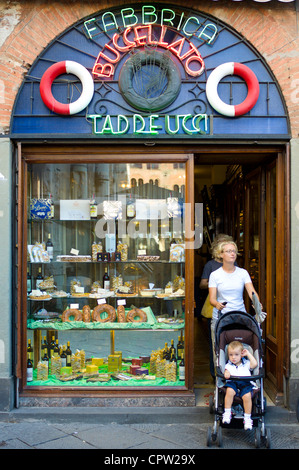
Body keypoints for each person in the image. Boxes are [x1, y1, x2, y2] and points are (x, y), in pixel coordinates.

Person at [199, 234, 235, 380]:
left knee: (232, 341)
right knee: (215, 343)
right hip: (215, 306)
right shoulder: (210, 265)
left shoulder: (234, 265)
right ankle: (215, 373)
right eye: (223, 245)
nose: (228, 250)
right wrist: (216, 284)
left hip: (232, 307)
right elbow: (202, 284)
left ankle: (232, 371)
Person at [222, 340, 258, 430]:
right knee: (229, 391)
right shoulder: (228, 365)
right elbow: (225, 371)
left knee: (247, 396)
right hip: (233, 382)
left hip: (245, 383)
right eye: (231, 355)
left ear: (241, 354)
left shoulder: (246, 363)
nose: (233, 357)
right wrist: (226, 373)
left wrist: (248, 354)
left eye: (236, 355)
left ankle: (247, 418)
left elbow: (255, 364)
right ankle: (227, 412)